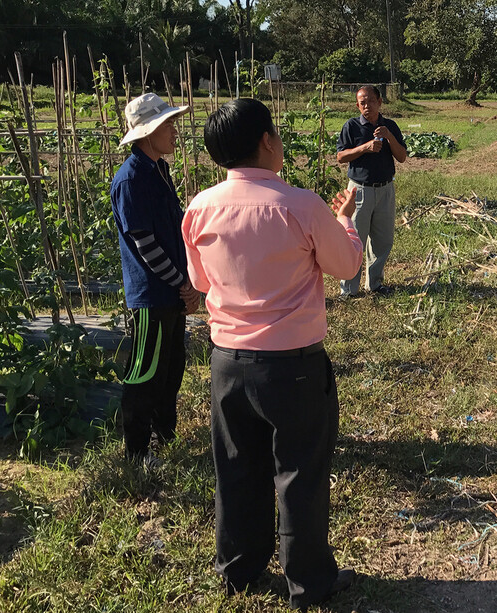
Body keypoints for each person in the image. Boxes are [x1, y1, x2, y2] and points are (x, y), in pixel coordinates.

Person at [183, 99, 364, 606]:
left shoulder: (199, 207)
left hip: (227, 361)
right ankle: (308, 581)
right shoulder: (300, 205)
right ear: (266, 141)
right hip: (292, 366)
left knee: (237, 467)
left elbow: (199, 281)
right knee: (300, 472)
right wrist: (344, 220)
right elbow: (347, 266)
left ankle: (238, 569)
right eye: (276, 134)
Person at [110, 93, 198, 467]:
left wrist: (187, 283)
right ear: (148, 133)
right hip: (152, 294)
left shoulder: (158, 170)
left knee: (170, 368)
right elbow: (145, 244)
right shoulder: (131, 180)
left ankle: (165, 439)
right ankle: (137, 453)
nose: (174, 131)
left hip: (172, 291)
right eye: (168, 126)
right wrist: (182, 281)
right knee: (145, 373)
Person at [335, 85, 408, 298]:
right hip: (359, 191)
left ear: (380, 102)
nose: (367, 106)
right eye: (362, 103)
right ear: (357, 105)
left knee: (382, 239)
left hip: (385, 189)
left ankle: (374, 284)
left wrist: (389, 137)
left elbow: (402, 156)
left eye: (371, 101)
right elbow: (341, 157)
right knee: (354, 239)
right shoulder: (352, 126)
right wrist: (364, 148)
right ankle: (348, 290)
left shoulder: (390, 126)